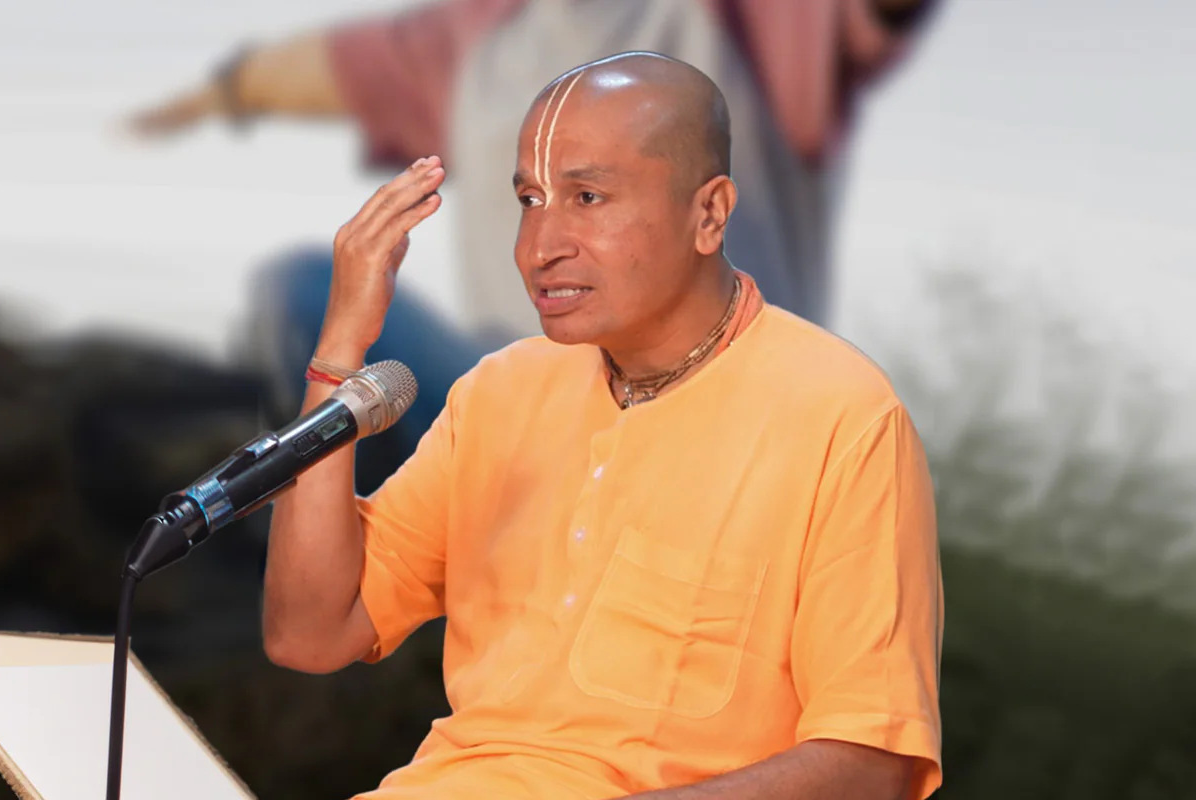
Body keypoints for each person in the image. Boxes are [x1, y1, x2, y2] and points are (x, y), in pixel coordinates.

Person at [261, 52, 944, 800]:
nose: (539, 247)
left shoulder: (841, 416)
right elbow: (311, 632)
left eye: (587, 197)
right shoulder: (500, 392)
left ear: (710, 214)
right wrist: (339, 351)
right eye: (530, 199)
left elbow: (872, 764)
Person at [130, 0, 940, 469]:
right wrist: (189, 105)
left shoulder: (764, 23)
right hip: (520, 424)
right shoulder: (470, 44)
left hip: (717, 426)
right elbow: (308, 71)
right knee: (304, 291)